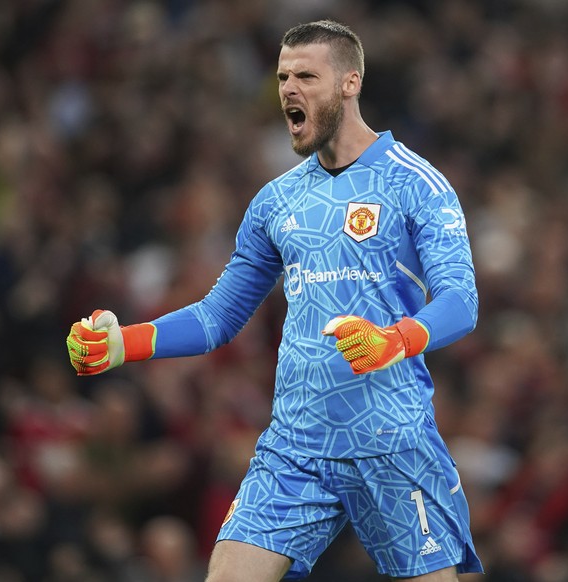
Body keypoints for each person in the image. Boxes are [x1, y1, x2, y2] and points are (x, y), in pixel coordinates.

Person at [66, 19, 482, 582]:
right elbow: (218, 316)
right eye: (283, 75)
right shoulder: (276, 201)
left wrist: (393, 340)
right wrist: (126, 343)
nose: (289, 88)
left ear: (349, 82)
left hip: (389, 439)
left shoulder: (416, 183)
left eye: (307, 75)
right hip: (296, 446)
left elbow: (460, 300)